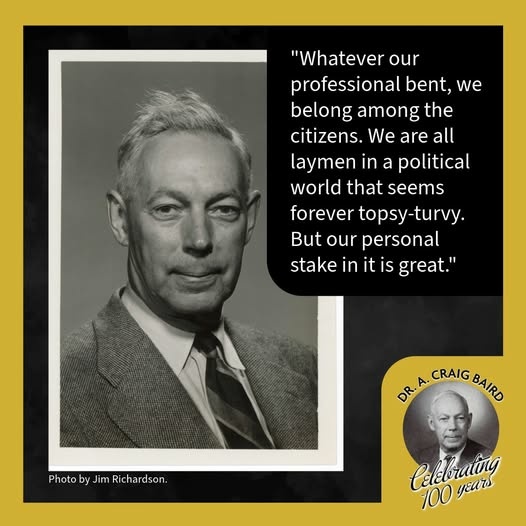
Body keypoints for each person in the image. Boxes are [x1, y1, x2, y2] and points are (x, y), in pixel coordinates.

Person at [60, 90, 318, 449]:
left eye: (223, 209)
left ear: (251, 218)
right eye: (168, 209)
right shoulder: (54, 396)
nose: (199, 239)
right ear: (120, 219)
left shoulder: (307, 369)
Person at [417, 390, 491, 468]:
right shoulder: (418, 458)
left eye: (460, 418)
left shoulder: (489, 459)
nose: (453, 427)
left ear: (469, 421)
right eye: (444, 419)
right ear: (431, 423)